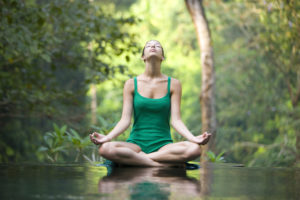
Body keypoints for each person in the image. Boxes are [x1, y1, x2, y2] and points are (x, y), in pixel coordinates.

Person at [90, 40, 211, 167]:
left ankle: (141, 160)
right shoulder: (131, 84)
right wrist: (107, 138)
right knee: (105, 148)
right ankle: (160, 165)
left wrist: (193, 139)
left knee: (195, 149)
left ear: (162, 57)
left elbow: (176, 121)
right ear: (143, 57)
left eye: (157, 46)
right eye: (148, 46)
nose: (153, 46)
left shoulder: (174, 84)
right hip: (135, 145)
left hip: (164, 147)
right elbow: (125, 121)